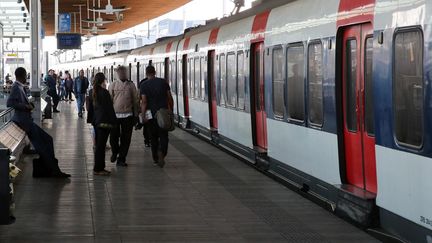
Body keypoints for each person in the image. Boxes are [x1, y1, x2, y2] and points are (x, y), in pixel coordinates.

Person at [7, 67, 70, 178]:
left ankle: (52, 169)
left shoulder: (20, 87)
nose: (26, 76)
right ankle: (54, 170)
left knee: (47, 141)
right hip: (24, 122)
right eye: (25, 74)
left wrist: (28, 105)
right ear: (21, 75)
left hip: (26, 121)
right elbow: (10, 102)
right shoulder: (16, 87)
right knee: (43, 145)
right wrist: (25, 106)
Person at [140, 66, 173, 168]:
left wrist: (143, 114)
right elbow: (169, 98)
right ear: (155, 72)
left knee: (153, 138)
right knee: (164, 136)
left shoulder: (144, 85)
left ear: (146, 73)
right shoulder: (163, 82)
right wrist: (170, 111)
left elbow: (144, 102)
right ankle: (162, 152)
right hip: (163, 113)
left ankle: (155, 159)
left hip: (151, 115)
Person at [87, 73, 117, 176]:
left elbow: (89, 109)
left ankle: (99, 168)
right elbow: (109, 109)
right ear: (103, 80)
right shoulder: (104, 92)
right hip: (105, 122)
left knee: (99, 146)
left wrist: (92, 120)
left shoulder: (91, 92)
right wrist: (114, 122)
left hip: (97, 122)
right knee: (101, 146)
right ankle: (98, 169)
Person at [108, 66, 139, 167]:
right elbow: (109, 100)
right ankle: (114, 151)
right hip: (114, 116)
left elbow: (135, 100)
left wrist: (136, 115)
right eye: (120, 72)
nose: (123, 74)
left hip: (128, 115)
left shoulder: (131, 85)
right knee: (113, 137)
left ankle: (121, 158)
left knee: (126, 138)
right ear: (118, 74)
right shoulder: (113, 85)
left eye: (124, 72)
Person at [138, 77, 151, 147]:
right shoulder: (157, 82)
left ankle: (147, 141)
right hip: (154, 109)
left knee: (146, 125)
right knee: (152, 125)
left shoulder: (143, 83)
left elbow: (141, 99)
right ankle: (151, 139)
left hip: (146, 109)